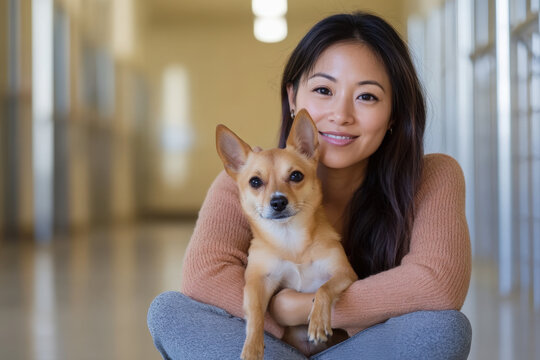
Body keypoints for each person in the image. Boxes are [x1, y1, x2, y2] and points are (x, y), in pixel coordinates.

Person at [147, 11, 472, 360]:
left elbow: (437, 284)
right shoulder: (248, 182)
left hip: (363, 348)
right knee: (169, 312)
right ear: (292, 97)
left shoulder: (433, 175)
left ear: (394, 112)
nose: (341, 114)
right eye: (323, 90)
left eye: (367, 97)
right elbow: (203, 278)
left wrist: (296, 307)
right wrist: (283, 322)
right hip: (275, 347)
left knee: (445, 329)